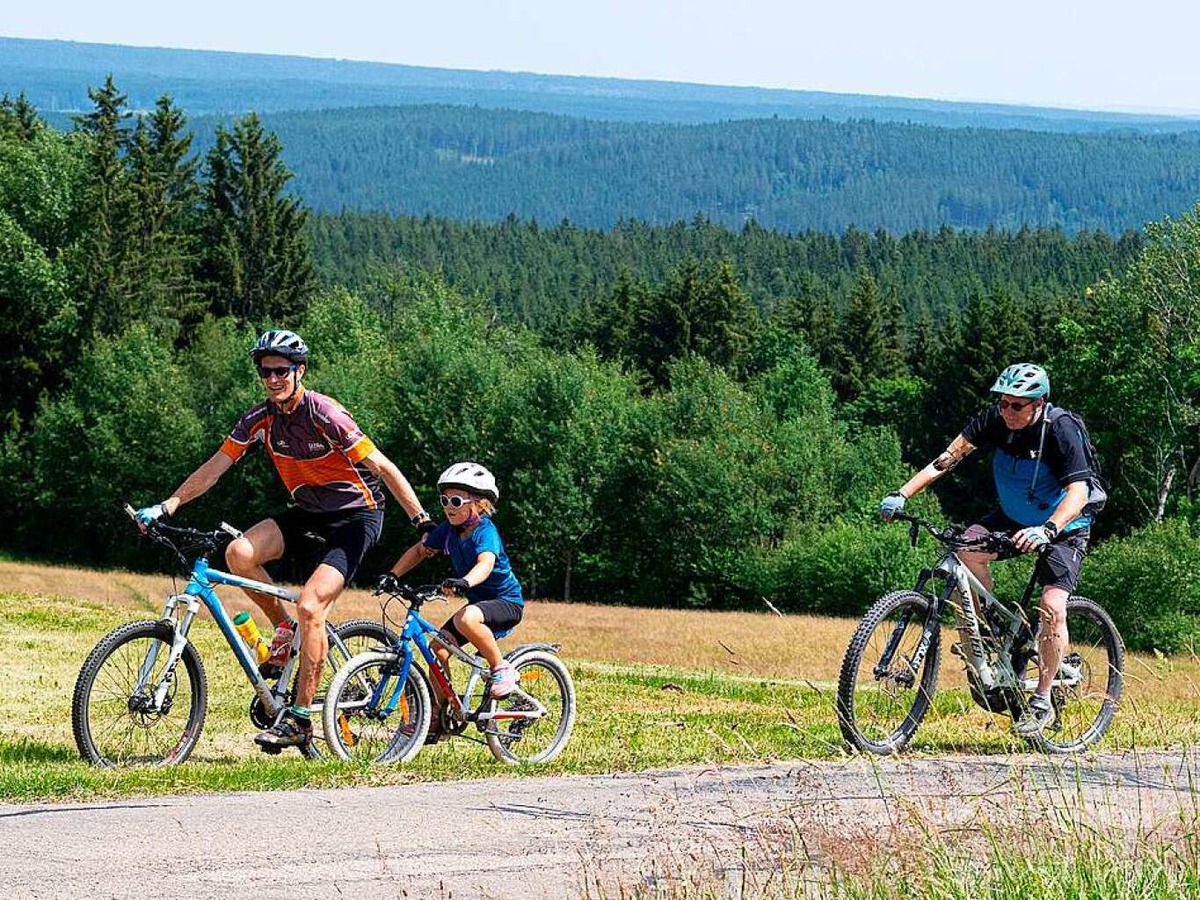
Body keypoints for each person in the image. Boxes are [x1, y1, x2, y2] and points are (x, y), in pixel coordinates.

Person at [135, 329, 433, 751]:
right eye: (265, 371)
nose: (273, 378)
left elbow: (384, 467)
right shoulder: (259, 419)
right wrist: (169, 505)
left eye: (281, 370)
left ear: (300, 371)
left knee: (312, 605)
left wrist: (421, 520)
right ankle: (284, 627)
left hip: (356, 518)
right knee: (239, 553)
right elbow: (215, 466)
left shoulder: (326, 415)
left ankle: (299, 719)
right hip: (309, 513)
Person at [878, 362, 1103, 736]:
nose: (1007, 411)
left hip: (1065, 523)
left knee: (1052, 606)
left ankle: (1043, 700)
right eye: (1003, 403)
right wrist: (902, 494)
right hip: (1014, 516)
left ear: (1039, 403)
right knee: (964, 548)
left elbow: (1079, 491)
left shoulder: (1060, 429)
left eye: (1017, 405)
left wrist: (1048, 528)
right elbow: (945, 459)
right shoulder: (994, 421)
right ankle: (993, 632)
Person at [384, 462, 524, 739]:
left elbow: (486, 562)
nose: (448, 506)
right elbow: (420, 550)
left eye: (456, 500)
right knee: (438, 649)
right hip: (477, 606)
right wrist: (392, 575)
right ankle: (441, 713)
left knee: (466, 617)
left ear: (480, 504)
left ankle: (501, 669)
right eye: (444, 500)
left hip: (505, 602)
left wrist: (465, 582)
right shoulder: (449, 530)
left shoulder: (486, 531)